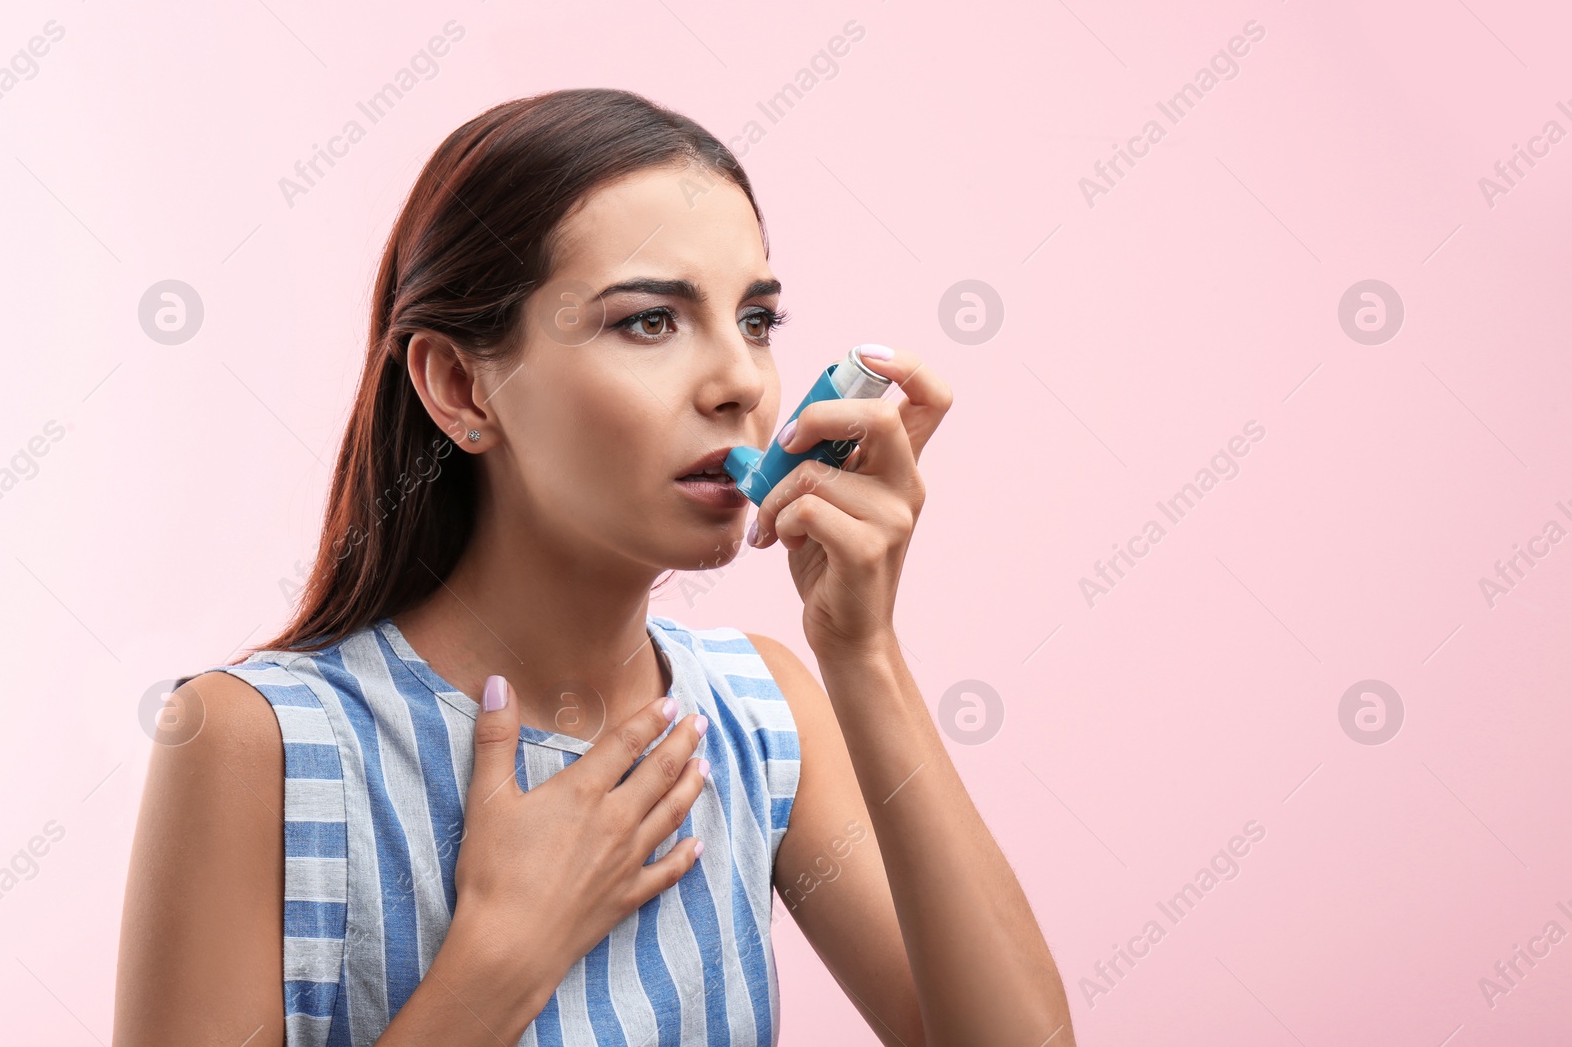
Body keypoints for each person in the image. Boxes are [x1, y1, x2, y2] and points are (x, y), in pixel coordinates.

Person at [113, 87, 1074, 1046]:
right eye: (649, 321)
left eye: (757, 320)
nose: (740, 380)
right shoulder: (259, 743)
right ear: (461, 385)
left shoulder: (760, 715)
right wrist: (501, 958)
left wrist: (862, 648)